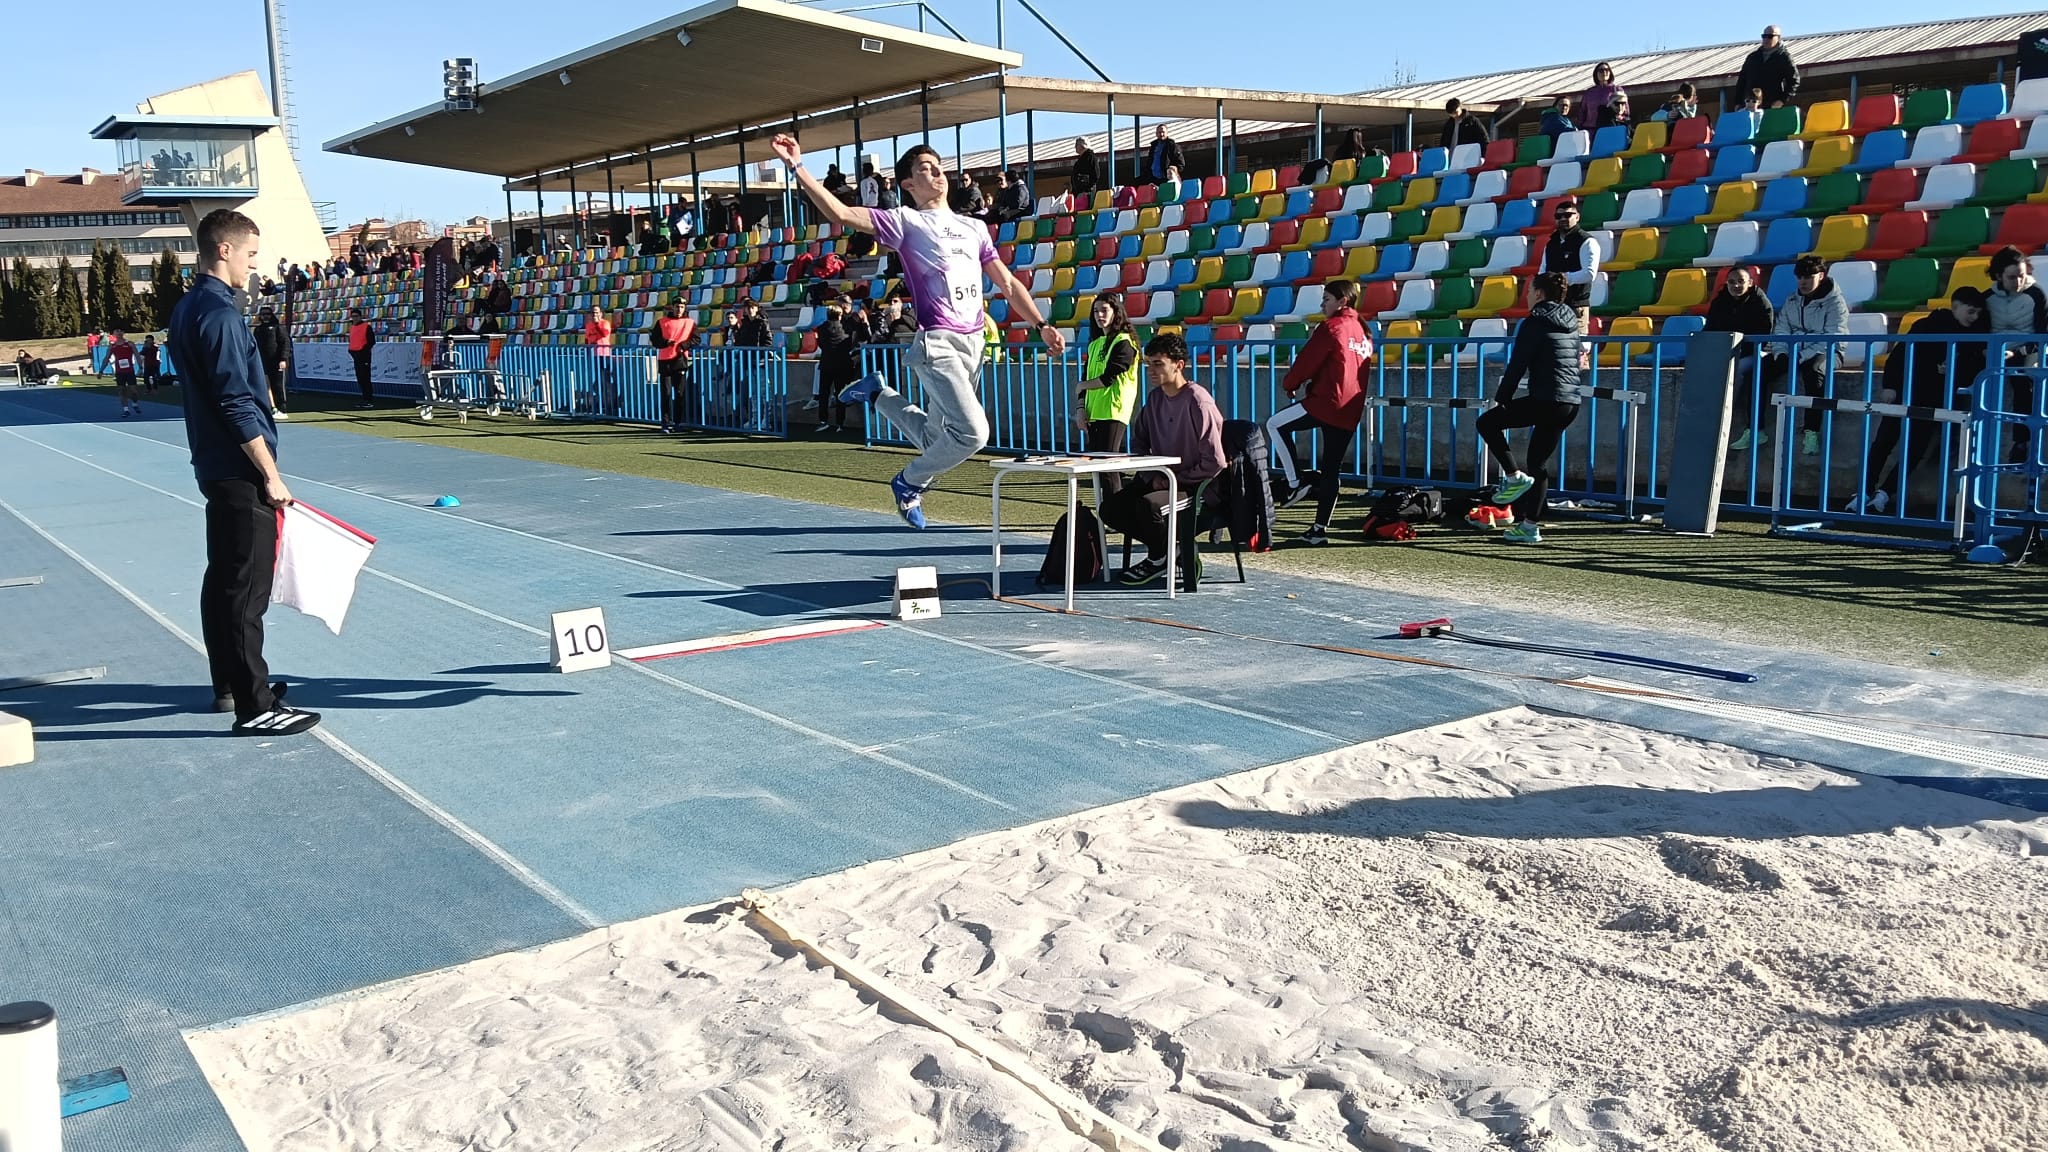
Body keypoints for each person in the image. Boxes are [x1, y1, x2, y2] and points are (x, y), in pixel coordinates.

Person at [773, 132, 1064, 528]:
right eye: (924, 169)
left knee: (935, 440)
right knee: (974, 433)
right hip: (938, 343)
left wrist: (1041, 325)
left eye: (938, 167)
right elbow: (840, 213)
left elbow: (1009, 284)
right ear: (908, 184)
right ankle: (910, 482)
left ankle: (877, 392)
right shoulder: (905, 222)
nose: (936, 174)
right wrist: (797, 167)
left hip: (974, 343)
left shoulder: (974, 228)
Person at [172, 209, 320, 736]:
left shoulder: (188, 307)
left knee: (223, 581)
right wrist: (270, 473)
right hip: (238, 466)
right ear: (226, 250)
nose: (254, 267)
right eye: (251, 256)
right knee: (245, 590)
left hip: (212, 462)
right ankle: (254, 706)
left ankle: (232, 682)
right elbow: (236, 401)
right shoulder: (221, 315)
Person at [1846, 287, 1989, 516]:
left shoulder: (1973, 337)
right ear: (1956, 306)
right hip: (1905, 394)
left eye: (1977, 313)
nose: (1973, 318)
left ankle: (1883, 493)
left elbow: (1973, 369)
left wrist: (1954, 370)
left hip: (1935, 401)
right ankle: (1863, 491)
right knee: (1883, 443)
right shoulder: (1924, 325)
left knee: (1914, 451)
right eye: (1970, 311)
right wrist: (1890, 385)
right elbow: (1900, 354)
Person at [1100, 332, 1227, 585]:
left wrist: (1174, 481)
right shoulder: (1155, 398)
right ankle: (1172, 551)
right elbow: (1139, 443)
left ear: (1179, 365)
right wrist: (1152, 475)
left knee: (1149, 507)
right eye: (1148, 364)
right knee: (1110, 509)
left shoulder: (1198, 401)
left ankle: (1159, 557)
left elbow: (1216, 462)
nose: (1151, 370)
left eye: (1158, 364)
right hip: (1160, 479)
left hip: (1194, 488)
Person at [1476, 272, 1584, 545]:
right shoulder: (1571, 321)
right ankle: (1529, 527)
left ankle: (1513, 477)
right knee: (1538, 463)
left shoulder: (1534, 322)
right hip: (1570, 402)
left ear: (1538, 294)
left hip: (1546, 400)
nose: (1525, 296)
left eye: (1528, 291)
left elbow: (1517, 364)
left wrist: (1503, 398)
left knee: (1487, 423)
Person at [1265, 279, 1373, 546]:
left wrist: (1290, 385)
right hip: (1350, 409)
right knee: (1331, 469)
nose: (1322, 304)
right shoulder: (1364, 332)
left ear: (1342, 301)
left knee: (1274, 424)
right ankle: (1318, 530)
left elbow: (1306, 362)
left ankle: (1295, 482)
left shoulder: (1331, 328)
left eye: (1326, 299)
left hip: (1326, 402)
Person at [1752, 255, 1849, 456]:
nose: (1803, 282)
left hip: (1829, 351)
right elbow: (1781, 329)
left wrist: (1800, 355)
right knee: (1760, 370)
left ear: (1821, 275)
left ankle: (1811, 431)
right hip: (1793, 351)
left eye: (1808, 276)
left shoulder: (1836, 302)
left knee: (1814, 372)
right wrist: (1781, 352)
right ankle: (1755, 428)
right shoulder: (1792, 300)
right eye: (1799, 277)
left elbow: (1831, 336)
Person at [1073, 293, 1141, 494]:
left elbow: (1108, 378)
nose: (1099, 315)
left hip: (1113, 410)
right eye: (1096, 311)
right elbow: (1086, 377)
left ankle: (1115, 515)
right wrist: (1080, 408)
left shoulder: (1124, 341)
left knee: (1108, 468)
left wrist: (1082, 386)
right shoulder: (1095, 344)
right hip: (1094, 411)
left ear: (1116, 313)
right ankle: (1109, 513)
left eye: (1104, 310)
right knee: (1101, 468)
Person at [1985, 244, 2047, 461]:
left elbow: (2042, 335)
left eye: (2021, 276)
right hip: (1996, 350)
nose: (2018, 282)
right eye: (2012, 277)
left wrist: (2019, 352)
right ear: (1999, 275)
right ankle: (1955, 435)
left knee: (2024, 378)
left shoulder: (2037, 295)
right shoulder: (1987, 298)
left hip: (2028, 349)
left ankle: (2021, 442)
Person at [1704, 265, 1774, 411]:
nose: (1736, 285)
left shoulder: (1760, 302)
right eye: (1731, 282)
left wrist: (1738, 351)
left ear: (1750, 283)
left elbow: (1764, 334)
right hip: (1727, 352)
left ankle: (1724, 413)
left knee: (1735, 370)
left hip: (1756, 351)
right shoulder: (1719, 302)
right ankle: (1704, 411)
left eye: (1741, 281)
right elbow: (1710, 329)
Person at [1539, 200, 1600, 336]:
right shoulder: (1551, 244)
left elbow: (1589, 273)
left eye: (1567, 215)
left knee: (1577, 349)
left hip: (1576, 305)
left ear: (1577, 217)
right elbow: (1542, 271)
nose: (1562, 219)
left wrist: (1562, 279)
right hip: (1553, 306)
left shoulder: (1587, 241)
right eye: (1558, 216)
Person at [813, 297, 862, 434]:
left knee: (824, 394)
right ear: (839, 315)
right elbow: (850, 344)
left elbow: (821, 345)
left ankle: (823, 421)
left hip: (827, 364)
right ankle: (840, 423)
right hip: (843, 365)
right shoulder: (846, 329)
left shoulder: (822, 328)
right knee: (841, 394)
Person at [650, 300, 696, 434]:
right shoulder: (662, 322)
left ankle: (677, 422)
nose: (679, 309)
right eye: (677, 307)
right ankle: (665, 422)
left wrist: (683, 345)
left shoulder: (690, 323)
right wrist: (665, 342)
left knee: (680, 393)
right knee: (666, 393)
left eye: (682, 307)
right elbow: (654, 339)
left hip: (680, 360)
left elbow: (696, 339)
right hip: (665, 360)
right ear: (673, 307)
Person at [1737, 26, 1799, 109]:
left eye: (1770, 36)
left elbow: (1794, 80)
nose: (1766, 39)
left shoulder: (1784, 57)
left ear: (1778, 38)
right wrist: (1738, 103)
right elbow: (1742, 80)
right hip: (1749, 107)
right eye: (1764, 36)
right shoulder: (1753, 57)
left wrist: (1781, 100)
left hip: (1771, 107)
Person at [253, 307, 290, 418]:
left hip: (277, 361)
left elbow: (285, 344)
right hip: (263, 362)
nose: (265, 316)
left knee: (278, 386)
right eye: (263, 314)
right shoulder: (258, 330)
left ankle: (282, 410)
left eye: (268, 314)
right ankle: (272, 408)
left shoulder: (278, 328)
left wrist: (283, 359)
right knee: (266, 386)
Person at [584, 304, 616, 415]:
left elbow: (604, 334)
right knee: (596, 383)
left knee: (606, 381)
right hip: (594, 356)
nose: (595, 315)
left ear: (601, 314)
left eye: (597, 312)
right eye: (593, 313)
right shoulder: (588, 325)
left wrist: (597, 324)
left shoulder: (605, 323)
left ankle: (610, 407)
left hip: (604, 355)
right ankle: (600, 406)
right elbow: (587, 339)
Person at [1577, 64, 1624, 132]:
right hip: (1591, 131)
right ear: (1596, 74)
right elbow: (1582, 112)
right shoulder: (1589, 93)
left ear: (1610, 73)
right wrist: (1580, 128)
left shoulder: (1617, 90)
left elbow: (1625, 112)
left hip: (1612, 129)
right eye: (1601, 70)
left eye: (1607, 70)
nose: (1604, 72)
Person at [346, 307, 376, 409]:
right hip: (356, 355)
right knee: (360, 379)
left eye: (356, 316)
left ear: (360, 316)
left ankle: (368, 400)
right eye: (353, 316)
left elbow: (371, 341)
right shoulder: (352, 327)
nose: (354, 318)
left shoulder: (366, 327)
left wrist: (363, 351)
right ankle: (364, 398)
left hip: (364, 356)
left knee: (365, 378)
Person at [106, 330, 140, 417]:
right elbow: (107, 358)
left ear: (123, 333)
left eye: (120, 331)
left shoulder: (130, 344)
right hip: (119, 372)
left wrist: (141, 367)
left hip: (129, 371)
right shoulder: (112, 346)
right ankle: (126, 410)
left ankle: (134, 403)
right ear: (114, 334)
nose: (119, 333)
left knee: (134, 391)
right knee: (122, 391)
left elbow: (137, 355)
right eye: (116, 332)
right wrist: (101, 370)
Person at [1069, 138, 1100, 203]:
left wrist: (1088, 188)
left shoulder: (1091, 157)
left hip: (1086, 193)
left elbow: (1096, 175)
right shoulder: (1081, 158)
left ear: (1082, 145)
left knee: (1083, 210)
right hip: (1079, 192)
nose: (1075, 147)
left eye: (1076, 145)